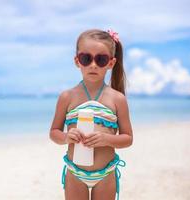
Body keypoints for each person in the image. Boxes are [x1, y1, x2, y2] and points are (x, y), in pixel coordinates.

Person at [49, 28, 133, 200]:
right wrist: (66, 137)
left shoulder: (117, 99)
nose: (93, 65)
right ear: (77, 61)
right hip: (75, 173)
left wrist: (106, 139)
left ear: (111, 63)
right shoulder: (67, 96)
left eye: (101, 60)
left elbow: (128, 138)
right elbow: (54, 133)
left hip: (105, 174)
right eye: (86, 58)